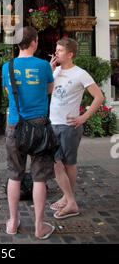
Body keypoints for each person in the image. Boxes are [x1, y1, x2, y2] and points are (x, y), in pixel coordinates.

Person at [2, 26, 55, 240]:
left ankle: (13, 222)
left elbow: (8, 92)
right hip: (40, 127)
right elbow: (49, 90)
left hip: (15, 125)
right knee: (39, 178)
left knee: (14, 175)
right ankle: (39, 226)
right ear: (34, 41)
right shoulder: (43, 66)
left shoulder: (8, 66)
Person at [49, 38, 104, 219]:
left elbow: (99, 97)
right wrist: (50, 72)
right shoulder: (56, 70)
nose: (56, 53)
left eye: (60, 51)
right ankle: (69, 199)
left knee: (68, 163)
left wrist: (84, 117)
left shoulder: (80, 73)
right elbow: (49, 91)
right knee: (55, 162)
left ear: (70, 54)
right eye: (56, 50)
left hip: (69, 126)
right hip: (53, 123)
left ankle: (68, 199)